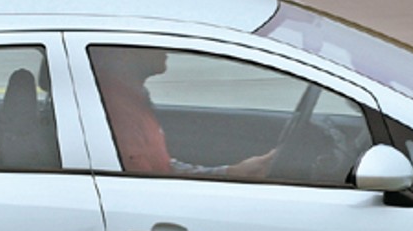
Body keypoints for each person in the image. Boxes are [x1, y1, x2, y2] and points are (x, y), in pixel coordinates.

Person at [91, 46, 275, 179]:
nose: (164, 48)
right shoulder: (111, 108)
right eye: (152, 40)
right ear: (124, 51)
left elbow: (162, 167)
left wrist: (230, 173)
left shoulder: (132, 96)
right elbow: (149, 186)